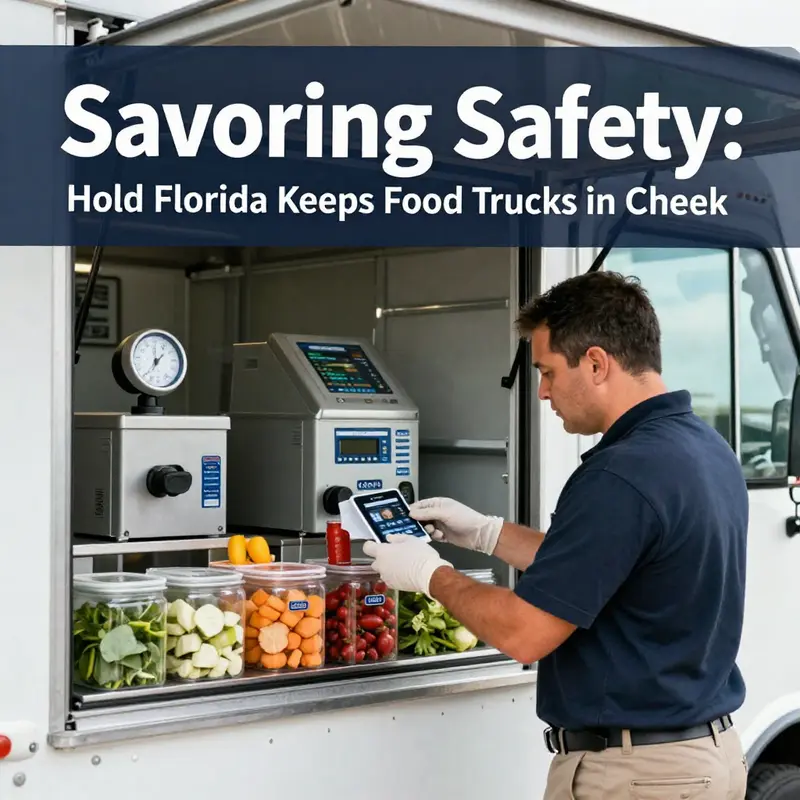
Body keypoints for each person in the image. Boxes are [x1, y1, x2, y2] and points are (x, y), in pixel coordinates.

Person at [362, 270, 750, 800]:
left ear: (595, 363)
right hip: (705, 757)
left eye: (547, 372)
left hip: (638, 775)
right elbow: (607, 568)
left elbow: (526, 634)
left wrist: (431, 574)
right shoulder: (706, 449)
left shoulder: (621, 475)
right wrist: (486, 533)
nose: (542, 393)